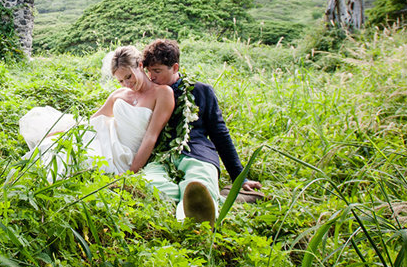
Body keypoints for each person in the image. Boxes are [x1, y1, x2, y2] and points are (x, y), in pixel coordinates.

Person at [138, 38, 262, 225]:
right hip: (163, 156)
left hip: (197, 153)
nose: (152, 77)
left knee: (198, 183)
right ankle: (223, 198)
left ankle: (194, 214)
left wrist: (240, 177)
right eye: (148, 71)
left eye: (157, 71)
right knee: (149, 184)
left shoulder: (201, 91)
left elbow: (220, 134)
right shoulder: (147, 94)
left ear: (175, 67)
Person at [20, 46, 174, 177]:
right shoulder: (118, 95)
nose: (127, 84)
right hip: (103, 138)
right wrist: (63, 132)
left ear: (140, 66)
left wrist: (131, 173)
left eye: (129, 76)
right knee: (58, 146)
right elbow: (92, 119)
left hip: (123, 155)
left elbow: (150, 137)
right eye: (121, 81)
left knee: (81, 159)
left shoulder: (162, 93)